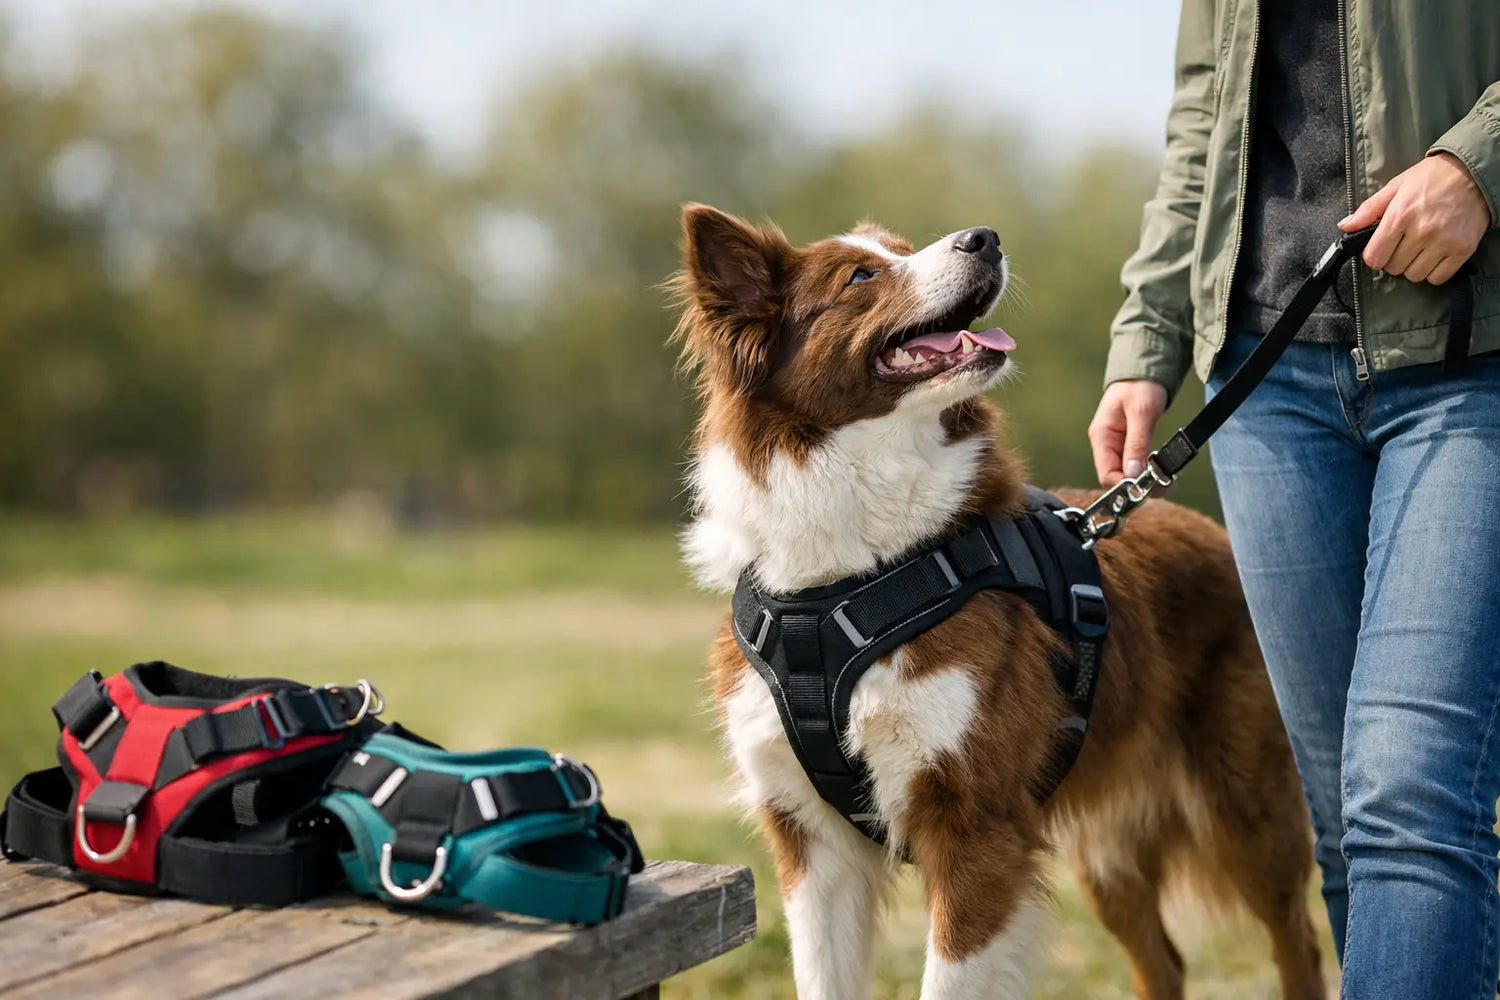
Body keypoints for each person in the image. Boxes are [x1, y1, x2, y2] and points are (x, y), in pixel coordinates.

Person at [1088, 1, 1500, 996]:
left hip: (1472, 353)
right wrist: (1148, 332)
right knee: (1353, 821)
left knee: (1409, 790)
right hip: (1267, 374)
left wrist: (1480, 162)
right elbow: (1204, 121)